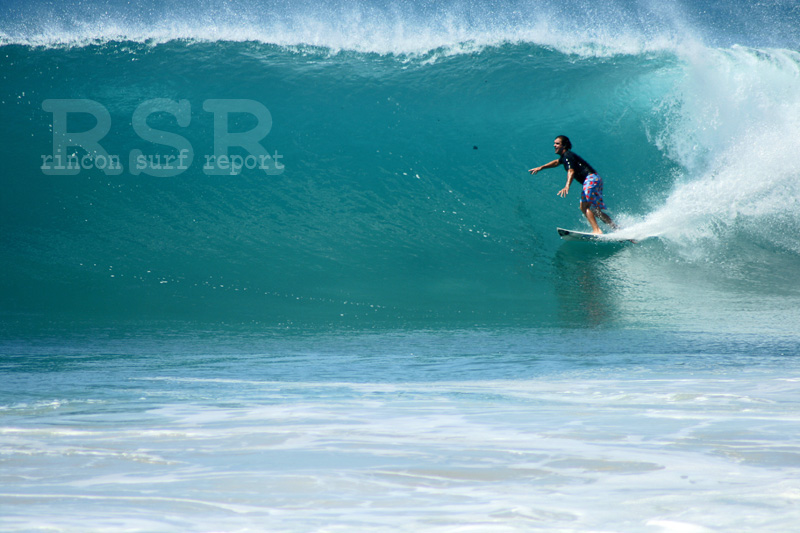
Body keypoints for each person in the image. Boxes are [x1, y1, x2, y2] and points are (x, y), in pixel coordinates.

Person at [529, 135, 617, 234]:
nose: (554, 145)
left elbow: (571, 171)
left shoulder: (567, 156)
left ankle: (597, 230)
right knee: (596, 211)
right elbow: (556, 162)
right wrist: (541, 167)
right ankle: (616, 228)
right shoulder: (566, 156)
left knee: (584, 206)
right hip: (596, 179)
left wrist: (567, 186)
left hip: (591, 179)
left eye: (557, 143)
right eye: (554, 143)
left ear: (564, 145)